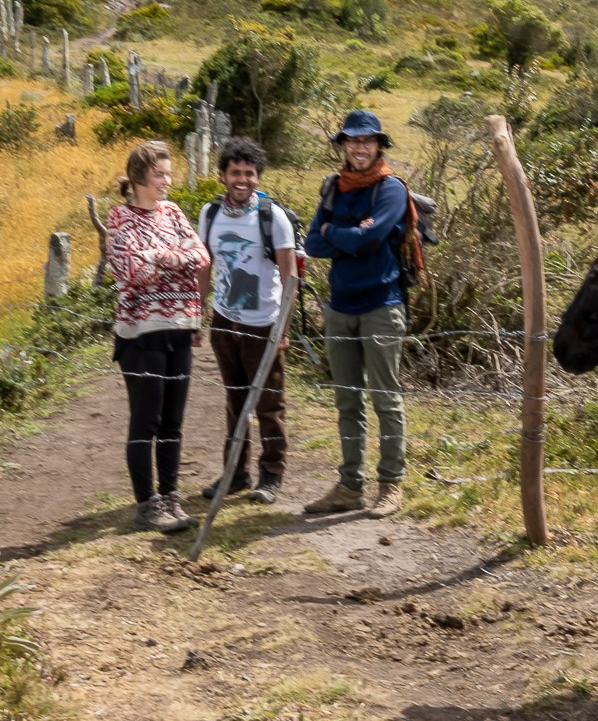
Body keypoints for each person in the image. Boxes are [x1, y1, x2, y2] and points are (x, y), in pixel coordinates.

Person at [303, 110, 417, 519]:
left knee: (386, 399)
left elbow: (369, 237)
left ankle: (390, 485)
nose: (360, 147)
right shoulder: (334, 187)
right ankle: (350, 486)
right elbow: (312, 243)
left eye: (367, 140)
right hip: (339, 308)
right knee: (347, 400)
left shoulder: (390, 190)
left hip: (382, 305)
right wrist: (346, 235)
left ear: (379, 145)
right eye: (352, 140)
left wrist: (338, 232)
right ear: (343, 146)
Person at [105, 140, 210, 533]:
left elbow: (201, 257)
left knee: (173, 421)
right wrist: (173, 259)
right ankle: (146, 504)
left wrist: (157, 256)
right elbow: (132, 271)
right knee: (145, 420)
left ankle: (170, 498)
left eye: (169, 173)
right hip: (141, 332)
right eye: (160, 175)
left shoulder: (174, 212)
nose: (168, 181)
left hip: (180, 327)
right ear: (138, 179)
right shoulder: (120, 218)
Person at [196, 136, 300, 506]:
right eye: (235, 172)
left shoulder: (274, 218)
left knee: (269, 404)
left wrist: (282, 331)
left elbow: (290, 276)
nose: (242, 179)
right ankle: (235, 473)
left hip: (263, 322)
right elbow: (205, 267)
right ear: (223, 175)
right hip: (224, 321)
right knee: (234, 400)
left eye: (250, 173)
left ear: (258, 177)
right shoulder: (209, 215)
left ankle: (271, 474)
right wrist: (198, 314)